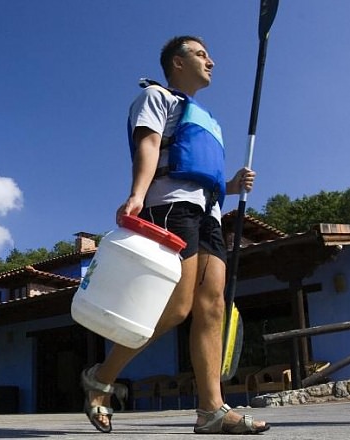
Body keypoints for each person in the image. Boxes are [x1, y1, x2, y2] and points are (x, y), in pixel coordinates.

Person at [80, 36, 269, 434]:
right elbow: (148, 145)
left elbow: (201, 171)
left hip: (210, 215)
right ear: (176, 63)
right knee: (178, 307)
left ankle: (211, 410)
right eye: (201, 54)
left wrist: (232, 185)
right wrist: (136, 194)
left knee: (212, 306)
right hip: (171, 207)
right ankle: (101, 376)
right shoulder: (155, 97)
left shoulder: (208, 119)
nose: (211, 61)